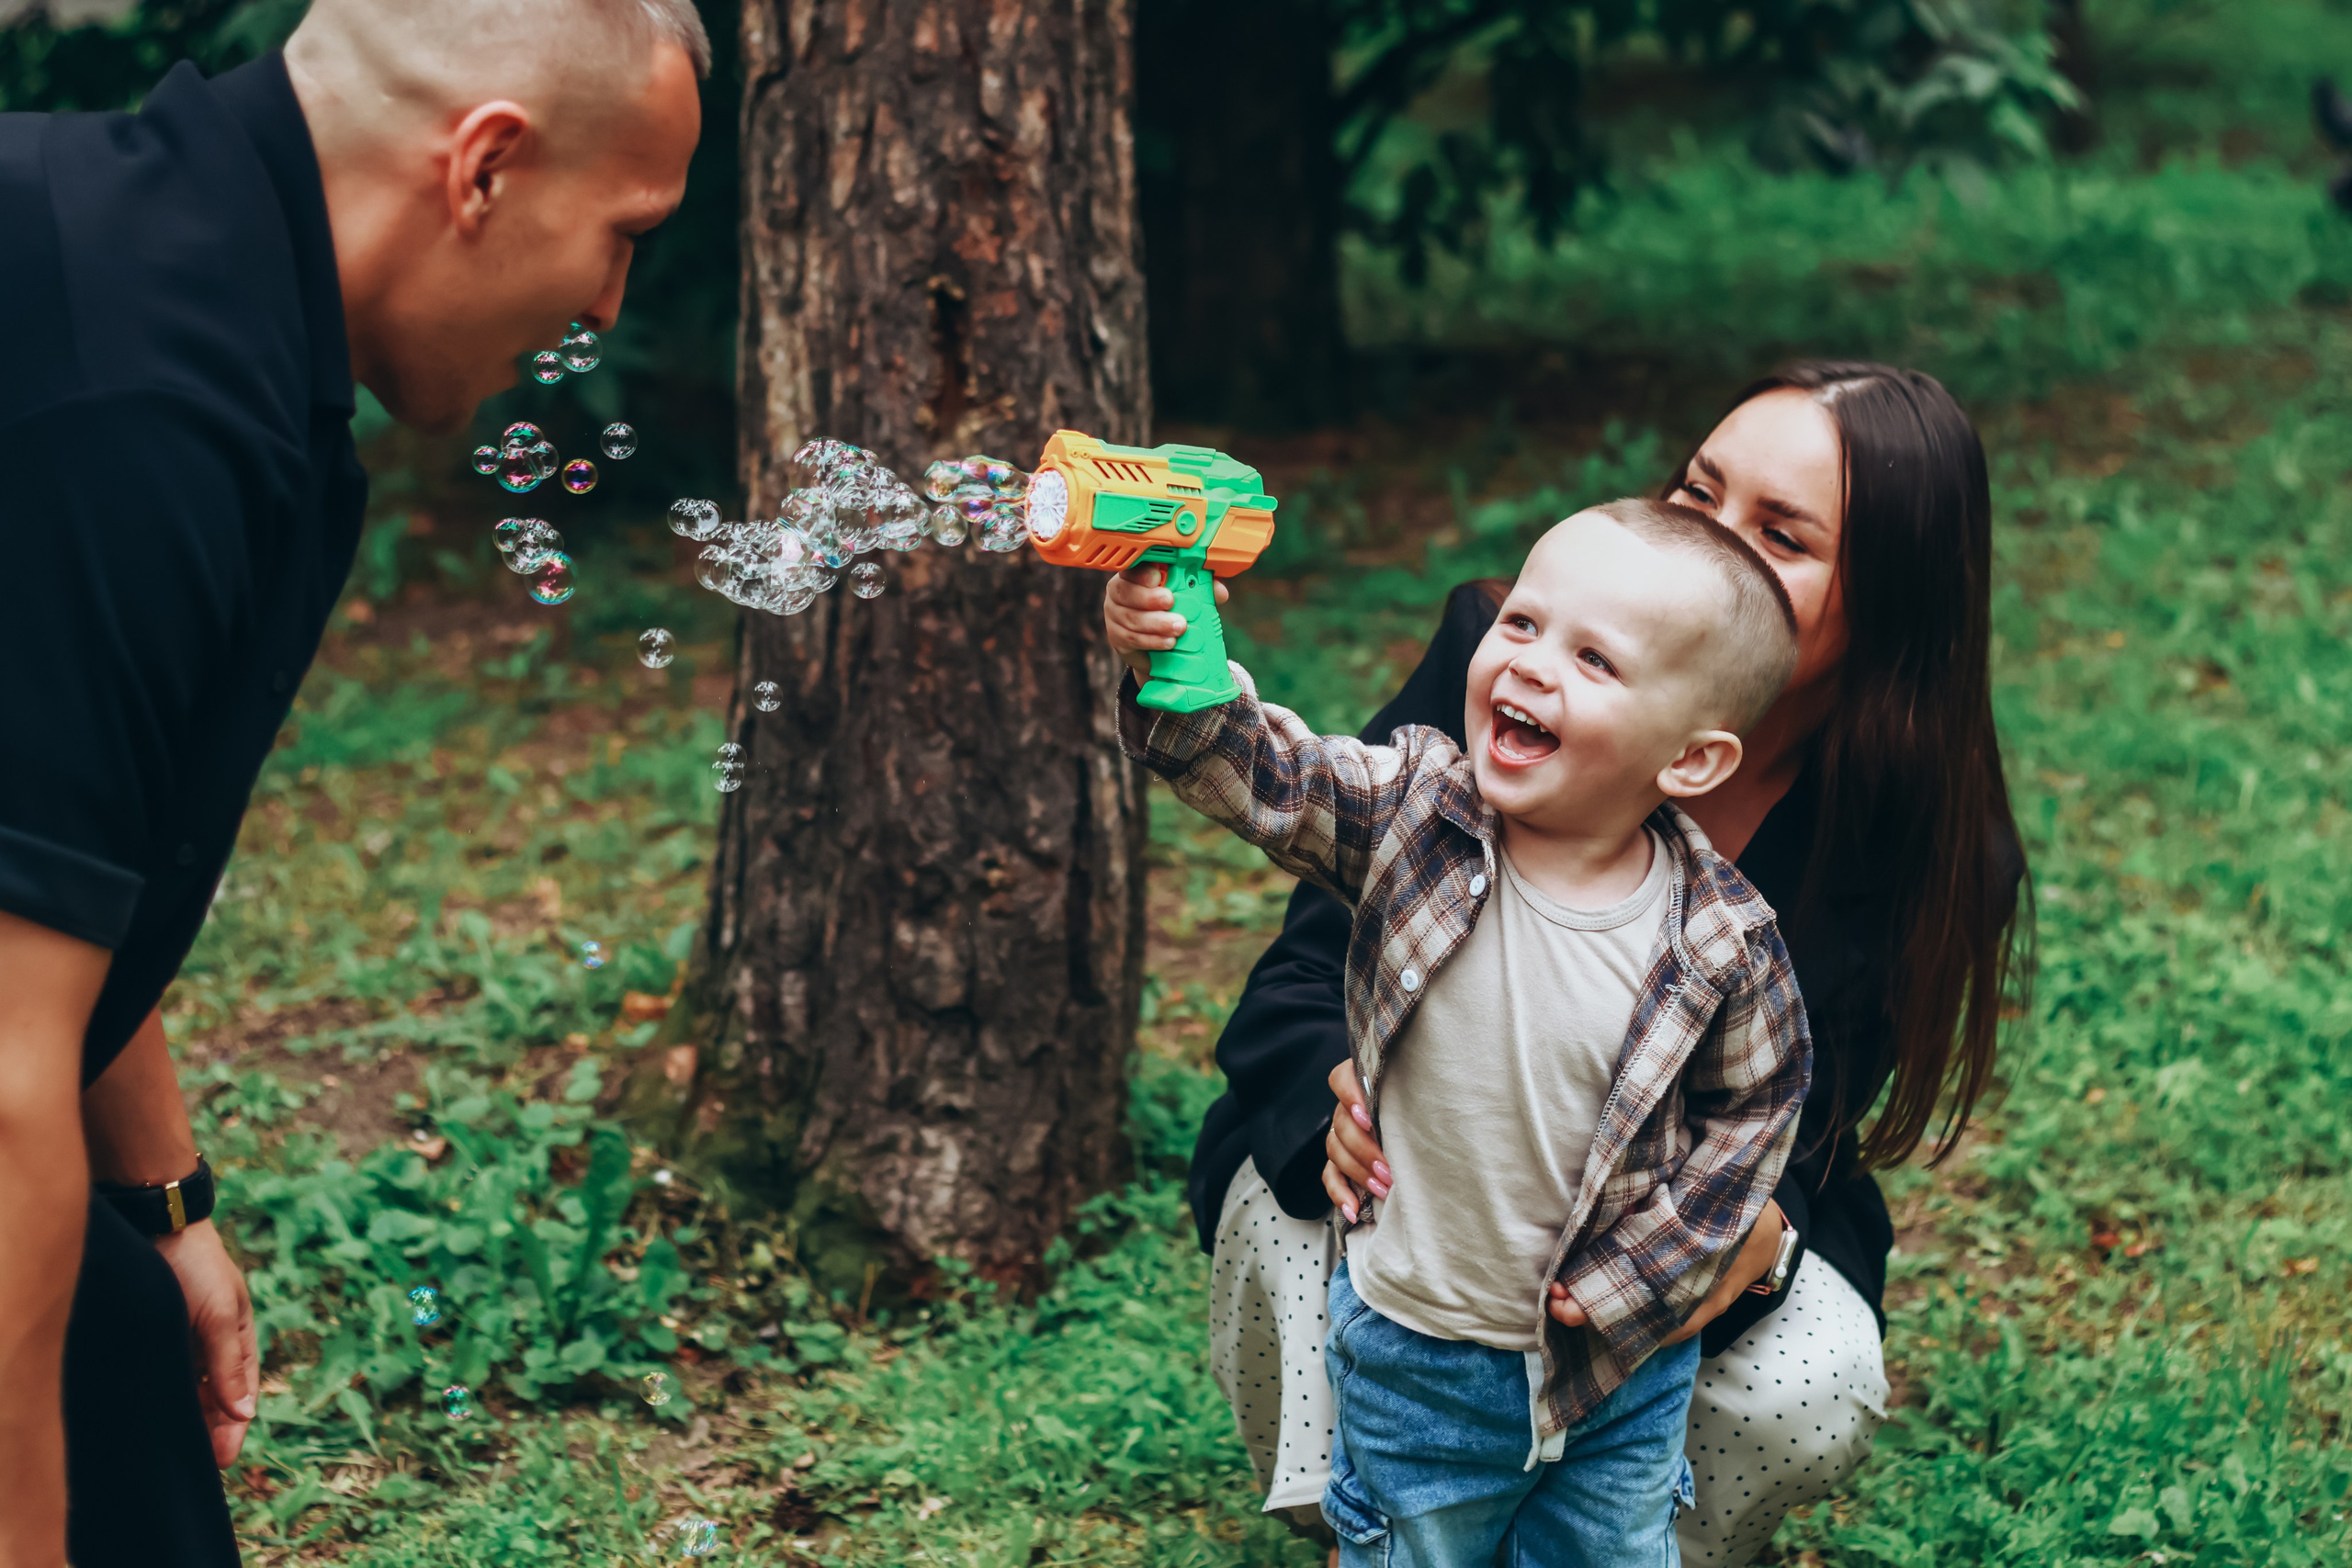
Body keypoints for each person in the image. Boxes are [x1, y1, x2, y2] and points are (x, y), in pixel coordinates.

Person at [0, 4, 707, 1562]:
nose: (605, 300)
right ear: (485, 168)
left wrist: (166, 1204)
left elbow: (58, 842)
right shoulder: (144, 406)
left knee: (117, 1365)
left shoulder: (196, 309)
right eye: (623, 232)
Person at [1193, 360, 2030, 1564]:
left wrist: (1739, 1232)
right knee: (1295, 1221)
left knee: (1810, 1367)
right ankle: (1374, 1512)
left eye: (1782, 536)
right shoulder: (1511, 669)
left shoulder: (1924, 844)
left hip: (1640, 1233)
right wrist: (1337, 1087)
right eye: (1702, 491)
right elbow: (1301, 973)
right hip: (1415, 1190)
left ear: (1889, 609)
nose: (1717, 544)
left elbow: (1799, 1119)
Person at [1107, 498, 1815, 1566]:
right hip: (1414, 1345)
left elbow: (1757, 1110)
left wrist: (1648, 1272)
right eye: (1522, 623)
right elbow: (1271, 779)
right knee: (1410, 1545)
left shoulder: (1720, 940)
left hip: (1617, 1370)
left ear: (1691, 760)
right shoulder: (1416, 814)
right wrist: (1183, 667)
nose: (1529, 665)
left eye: (1594, 659)